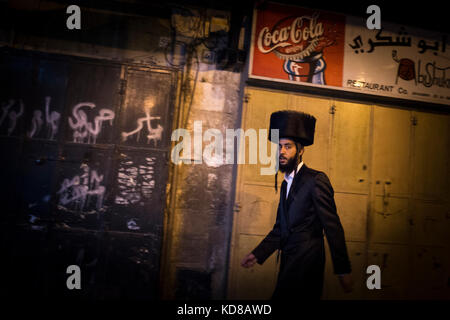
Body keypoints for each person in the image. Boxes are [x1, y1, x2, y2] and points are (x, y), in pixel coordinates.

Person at [241, 110, 353, 299]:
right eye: (280, 146)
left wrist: (342, 269)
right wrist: (258, 253)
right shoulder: (286, 184)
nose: (282, 152)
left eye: (288, 147)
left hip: (307, 263)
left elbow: (332, 226)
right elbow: (280, 229)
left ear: (300, 150)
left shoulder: (316, 180)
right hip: (290, 261)